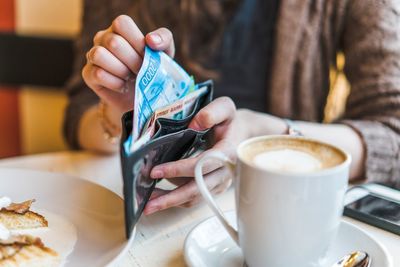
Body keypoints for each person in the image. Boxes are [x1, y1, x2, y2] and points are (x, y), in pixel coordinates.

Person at [64, 0, 400, 214]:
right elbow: (78, 115)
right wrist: (122, 114)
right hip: (151, 210)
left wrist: (264, 136)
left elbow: (393, 132)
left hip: (280, 209)